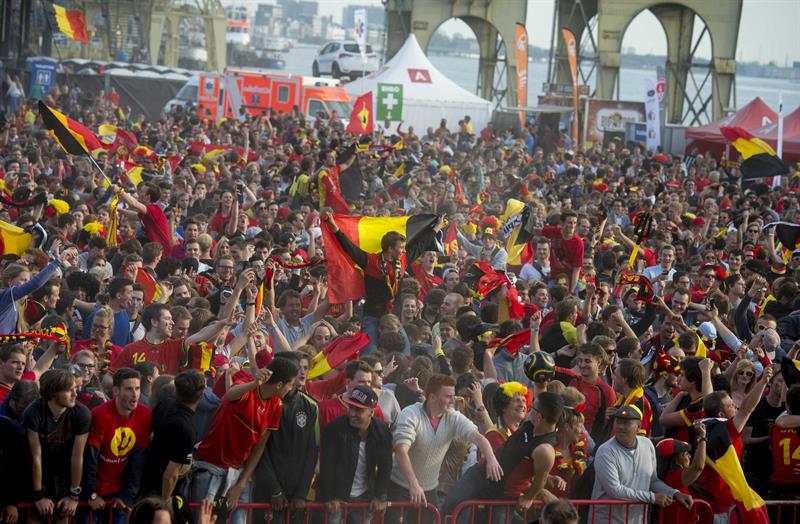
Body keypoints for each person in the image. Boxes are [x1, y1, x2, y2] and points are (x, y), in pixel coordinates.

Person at [189, 357, 298, 515]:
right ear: (280, 384)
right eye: (290, 384)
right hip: (209, 468)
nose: (291, 389)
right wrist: (254, 383)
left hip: (237, 475)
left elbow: (259, 447)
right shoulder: (245, 387)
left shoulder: (276, 405)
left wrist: (240, 485)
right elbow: (231, 395)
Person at [389, 374, 503, 522]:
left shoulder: (452, 416)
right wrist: (414, 484)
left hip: (429, 489)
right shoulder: (411, 414)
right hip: (399, 487)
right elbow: (401, 450)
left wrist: (491, 458)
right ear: (432, 398)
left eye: (453, 396)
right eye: (448, 396)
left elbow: (478, 437)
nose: (453, 400)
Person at [324, 211, 444, 350]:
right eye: (400, 248)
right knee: (369, 350)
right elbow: (350, 248)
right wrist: (334, 227)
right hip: (372, 316)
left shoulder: (403, 260)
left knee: (405, 350)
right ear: (390, 249)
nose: (403, 251)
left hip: (393, 317)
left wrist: (437, 228)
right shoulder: (370, 261)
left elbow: (421, 244)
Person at [442, 391, 563, 524]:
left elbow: (541, 479)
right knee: (449, 508)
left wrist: (529, 497)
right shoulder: (532, 424)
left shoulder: (544, 450)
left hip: (503, 494)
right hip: (481, 474)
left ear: (539, 417)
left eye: (532, 408)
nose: (528, 408)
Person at [591, 405, 693, 524]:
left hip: (637, 520)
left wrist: (675, 493)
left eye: (626, 423)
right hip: (607, 520)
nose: (621, 427)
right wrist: (653, 498)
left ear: (638, 426)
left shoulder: (647, 444)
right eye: (618, 422)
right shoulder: (605, 451)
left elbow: (652, 481)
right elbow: (614, 490)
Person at [254, 352, 319, 523]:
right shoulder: (265, 403)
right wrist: (274, 490)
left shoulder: (310, 406)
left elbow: (311, 452)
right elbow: (260, 451)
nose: (301, 373)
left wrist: (301, 493)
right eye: (298, 369)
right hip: (267, 492)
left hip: (295, 497)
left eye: (304, 368)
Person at [84, 368, 152, 523]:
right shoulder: (100, 414)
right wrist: (91, 494)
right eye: (129, 389)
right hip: (94, 490)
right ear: (116, 391)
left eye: (137, 388)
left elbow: (138, 459)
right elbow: (90, 457)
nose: (135, 394)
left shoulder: (145, 414)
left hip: (119, 492)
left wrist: (127, 496)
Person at [23, 369, 92, 522]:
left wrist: (74, 495)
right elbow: (36, 457)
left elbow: (77, 456)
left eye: (75, 389)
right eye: (69, 390)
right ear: (54, 392)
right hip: (36, 478)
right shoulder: (34, 412)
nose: (75, 394)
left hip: (65, 478)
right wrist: (38, 495)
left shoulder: (82, 413)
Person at [320, 385, 392, 524]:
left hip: (364, 498)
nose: (352, 413)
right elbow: (326, 466)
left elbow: (386, 466)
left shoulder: (382, 431)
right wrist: (329, 497)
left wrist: (380, 496)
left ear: (372, 411)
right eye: (351, 407)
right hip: (337, 499)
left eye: (358, 410)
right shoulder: (334, 429)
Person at [139, 369, 207, 500]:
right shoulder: (186, 429)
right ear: (202, 395)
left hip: (144, 482)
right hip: (158, 493)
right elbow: (171, 475)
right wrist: (165, 503)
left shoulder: (165, 404)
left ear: (175, 390)